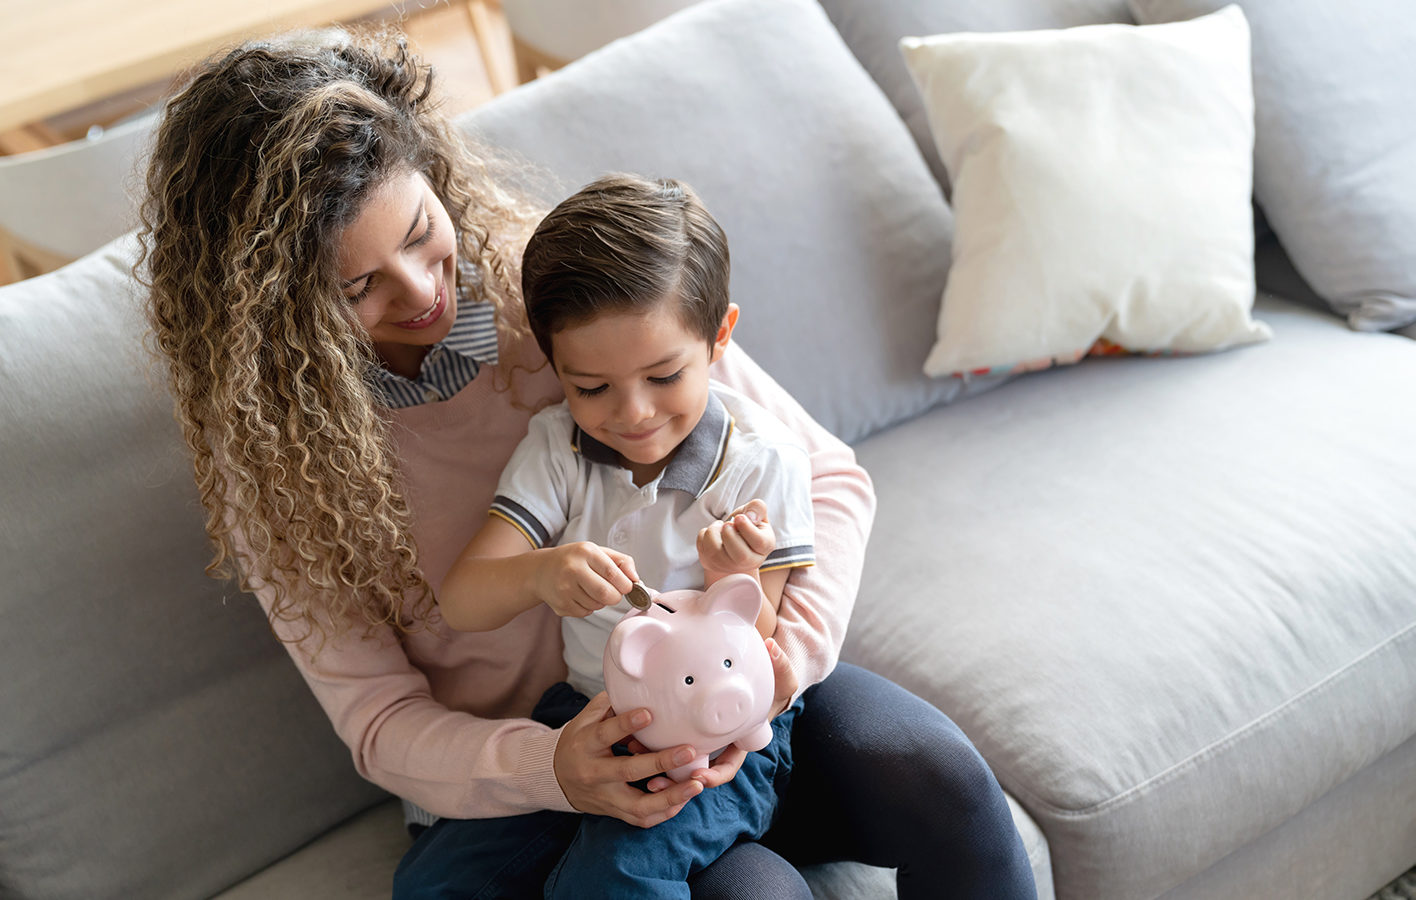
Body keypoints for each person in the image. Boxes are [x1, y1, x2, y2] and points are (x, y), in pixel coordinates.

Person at [137, 27, 1038, 900]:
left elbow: (825, 477)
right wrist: (555, 769)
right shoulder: (278, 461)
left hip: (715, 685)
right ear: (280, 312)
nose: (422, 293)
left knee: (944, 782)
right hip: (524, 774)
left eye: (420, 232)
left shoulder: (560, 286)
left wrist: (774, 669)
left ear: (438, 178)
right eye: (357, 285)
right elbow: (380, 725)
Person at [438, 173, 816, 897]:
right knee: (440, 881)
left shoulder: (760, 463)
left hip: (722, 735)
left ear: (719, 338)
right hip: (588, 709)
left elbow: (761, 648)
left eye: (664, 375)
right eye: (592, 388)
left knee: (610, 881)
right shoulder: (557, 450)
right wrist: (540, 573)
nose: (634, 413)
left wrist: (733, 578)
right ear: (557, 372)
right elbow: (463, 602)